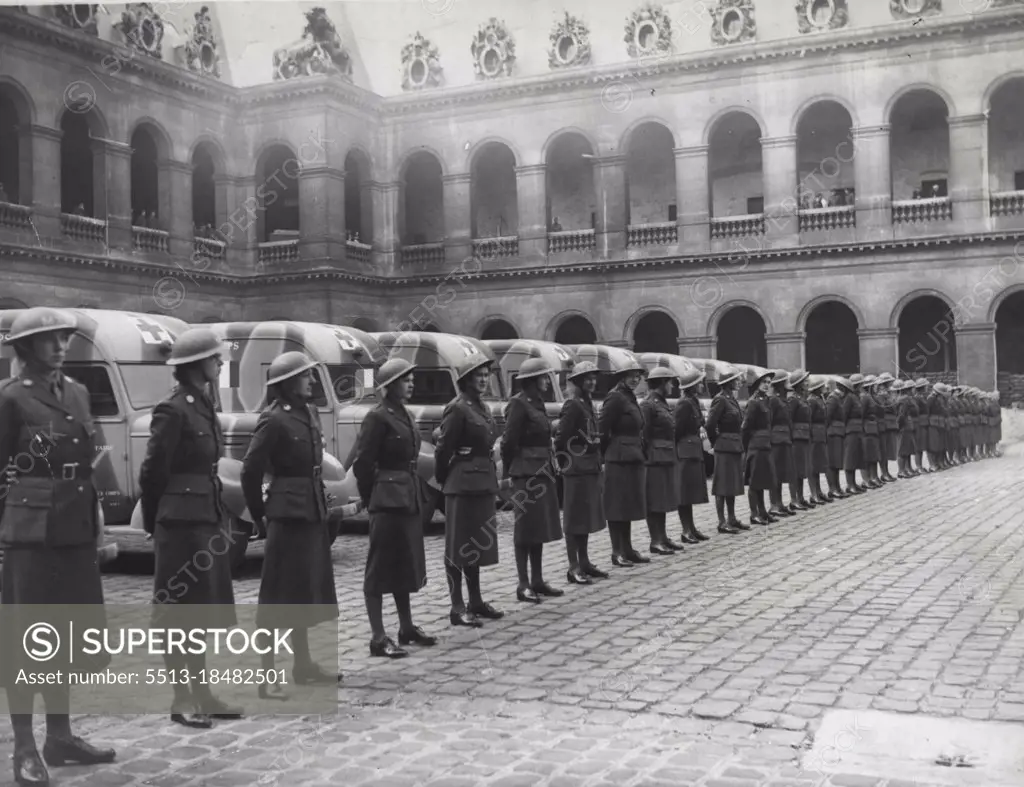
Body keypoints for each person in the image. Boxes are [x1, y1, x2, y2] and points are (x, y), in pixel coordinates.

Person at [0, 308, 116, 786]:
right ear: (26, 347)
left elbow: (89, 461)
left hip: (75, 530)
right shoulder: (10, 400)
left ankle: (61, 737)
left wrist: (101, 524)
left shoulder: (78, 393)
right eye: (49, 339)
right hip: (30, 537)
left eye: (64, 337)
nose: (60, 345)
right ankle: (24, 748)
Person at [139, 327, 242, 728]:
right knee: (178, 613)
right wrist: (154, 522)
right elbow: (152, 472)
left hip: (204, 517)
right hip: (179, 522)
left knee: (198, 611)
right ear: (196, 364)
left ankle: (202, 692)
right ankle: (182, 697)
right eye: (214, 357)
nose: (219, 362)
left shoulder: (202, 404)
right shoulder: (173, 409)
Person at [241, 352, 345, 681]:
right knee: (277, 593)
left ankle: (302, 664)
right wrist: (259, 517)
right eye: (306, 376)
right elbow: (250, 471)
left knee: (304, 589)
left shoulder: (309, 412)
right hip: (286, 514)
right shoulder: (273, 419)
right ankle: (268, 671)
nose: (312, 381)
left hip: (311, 509)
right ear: (287, 383)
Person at [352, 357, 435, 657]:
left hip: (407, 497)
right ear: (388, 386)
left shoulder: (404, 414)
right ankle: (377, 636)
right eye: (404, 379)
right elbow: (362, 463)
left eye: (411, 378)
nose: (411, 383)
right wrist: (373, 496)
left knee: (404, 564)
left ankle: (406, 627)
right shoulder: (378, 417)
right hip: (386, 501)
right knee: (379, 569)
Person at [435, 353, 504, 627]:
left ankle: (475, 600)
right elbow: (444, 449)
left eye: (487, 375)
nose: (484, 380)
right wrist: (446, 478)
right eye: (479, 375)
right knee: (457, 546)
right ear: (465, 379)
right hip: (461, 483)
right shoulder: (457, 408)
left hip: (482, 482)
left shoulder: (481, 407)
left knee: (474, 545)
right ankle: (456, 605)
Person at [501, 358, 563, 603]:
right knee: (524, 529)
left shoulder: (538, 403)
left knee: (538, 528)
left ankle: (537, 579)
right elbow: (508, 442)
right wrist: (511, 472)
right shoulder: (518, 404)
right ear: (532, 380)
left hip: (542, 470)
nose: (548, 381)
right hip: (525, 474)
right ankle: (523, 583)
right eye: (544, 377)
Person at [555, 361, 608, 584]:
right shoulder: (573, 405)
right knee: (574, 519)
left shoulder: (587, 403)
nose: (592, 381)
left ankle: (584, 561)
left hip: (589, 466)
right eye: (587, 378)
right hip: (576, 469)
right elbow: (560, 439)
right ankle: (573, 565)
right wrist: (566, 462)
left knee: (585, 517)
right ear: (577, 381)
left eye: (594, 378)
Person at [599, 356, 648, 566]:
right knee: (617, 505)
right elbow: (602, 430)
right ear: (622, 377)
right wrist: (606, 455)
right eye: (631, 376)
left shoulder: (629, 397)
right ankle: (616, 551)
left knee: (628, 504)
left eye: (638, 376)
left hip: (632, 456)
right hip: (617, 457)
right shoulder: (615, 398)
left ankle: (627, 548)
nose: (636, 380)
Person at [642, 366, 683, 555]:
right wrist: (649, 455)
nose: (672, 385)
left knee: (664, 498)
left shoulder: (662, 403)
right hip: (655, 458)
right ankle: (655, 540)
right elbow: (644, 433)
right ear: (661, 383)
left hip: (665, 455)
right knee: (655, 500)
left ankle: (663, 537)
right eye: (669, 382)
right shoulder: (649, 404)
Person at [705, 365, 746, 533]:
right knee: (722, 485)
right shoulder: (720, 399)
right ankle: (722, 522)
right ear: (729, 382)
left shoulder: (731, 398)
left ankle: (732, 518)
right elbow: (710, 425)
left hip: (734, 445)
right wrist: (716, 443)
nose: (739, 382)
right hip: (724, 446)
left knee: (732, 484)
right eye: (736, 380)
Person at [742, 369, 775, 525]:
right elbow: (746, 427)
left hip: (765, 444)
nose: (767, 385)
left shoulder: (766, 401)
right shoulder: (753, 402)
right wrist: (747, 445)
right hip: (755, 445)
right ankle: (754, 513)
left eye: (769, 383)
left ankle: (763, 512)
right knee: (755, 481)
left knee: (762, 479)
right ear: (757, 384)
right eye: (764, 382)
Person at [767, 370, 795, 517]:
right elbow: (769, 421)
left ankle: (780, 503)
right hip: (776, 440)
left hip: (785, 439)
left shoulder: (783, 399)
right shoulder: (773, 400)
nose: (789, 384)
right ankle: (773, 505)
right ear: (781, 384)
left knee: (783, 473)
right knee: (775, 474)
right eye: (787, 381)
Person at [786, 370, 814, 509]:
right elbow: (789, 420)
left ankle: (800, 497)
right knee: (795, 470)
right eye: (805, 381)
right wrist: (791, 437)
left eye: (807, 380)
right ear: (798, 384)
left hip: (804, 437)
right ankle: (793, 499)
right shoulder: (793, 399)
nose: (808, 383)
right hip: (796, 438)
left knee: (802, 469)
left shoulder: (803, 398)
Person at [806, 376, 831, 505]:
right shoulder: (811, 400)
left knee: (820, 464)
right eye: (822, 385)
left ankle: (819, 492)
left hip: (821, 434)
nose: (825, 387)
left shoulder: (820, 398)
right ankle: (814, 493)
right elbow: (809, 419)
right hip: (814, 435)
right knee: (813, 466)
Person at [823, 378, 848, 500]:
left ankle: (837, 487)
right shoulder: (833, 398)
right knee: (832, 462)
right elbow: (827, 416)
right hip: (833, 433)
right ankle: (832, 488)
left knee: (837, 461)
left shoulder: (837, 398)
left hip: (838, 432)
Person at [841, 374, 866, 494]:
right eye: (861, 384)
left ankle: (854, 483)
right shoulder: (849, 398)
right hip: (850, 431)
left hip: (857, 430)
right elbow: (844, 415)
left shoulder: (856, 397)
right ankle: (849, 484)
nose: (862, 386)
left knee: (856, 457)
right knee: (850, 457)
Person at [860, 375, 883, 489]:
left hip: (873, 427)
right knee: (867, 455)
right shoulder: (864, 397)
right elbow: (862, 414)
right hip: (866, 428)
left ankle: (874, 477)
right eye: (874, 385)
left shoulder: (871, 397)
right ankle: (866, 479)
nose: (876, 387)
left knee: (874, 454)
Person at [894, 380, 918, 479]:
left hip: (908, 425)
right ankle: (901, 470)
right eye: (913, 388)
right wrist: (899, 426)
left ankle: (908, 468)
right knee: (902, 450)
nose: (914, 390)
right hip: (904, 426)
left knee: (908, 449)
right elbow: (901, 414)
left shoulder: (907, 398)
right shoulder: (904, 399)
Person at [877, 373, 898, 482]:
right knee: (883, 450)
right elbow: (886, 408)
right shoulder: (881, 395)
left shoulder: (888, 394)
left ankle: (886, 472)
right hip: (885, 424)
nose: (891, 383)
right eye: (889, 382)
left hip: (890, 424)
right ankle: (884, 473)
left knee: (888, 450)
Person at [926, 382, 948, 471]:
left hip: (939, 424)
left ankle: (938, 463)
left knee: (939, 444)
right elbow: (927, 411)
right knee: (932, 445)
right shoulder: (930, 399)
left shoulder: (939, 399)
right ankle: (932, 464)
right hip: (932, 424)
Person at [913, 379, 930, 472]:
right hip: (919, 424)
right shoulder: (917, 398)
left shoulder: (923, 397)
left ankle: (920, 465)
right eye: (926, 386)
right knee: (918, 446)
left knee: (922, 445)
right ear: (922, 387)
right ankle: (918, 466)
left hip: (924, 423)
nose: (927, 387)